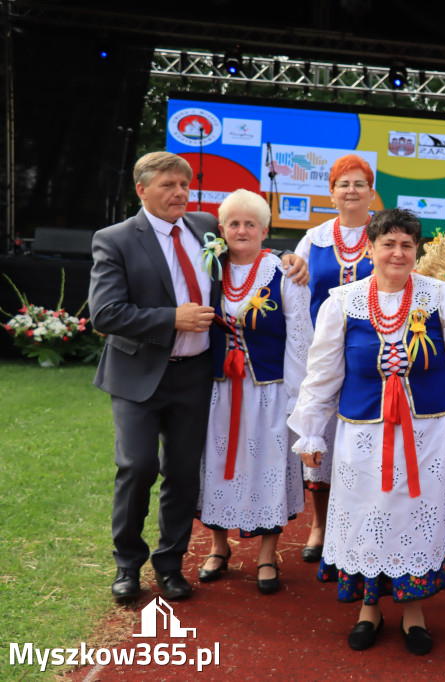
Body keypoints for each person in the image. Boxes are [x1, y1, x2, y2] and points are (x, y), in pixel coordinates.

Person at [89, 152, 308, 603]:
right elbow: (105, 313)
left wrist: (290, 257)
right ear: (142, 190)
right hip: (139, 377)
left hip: (196, 377)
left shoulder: (204, 227)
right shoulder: (114, 239)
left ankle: (170, 564)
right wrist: (172, 318)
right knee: (137, 467)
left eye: (185, 186)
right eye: (168, 185)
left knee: (185, 473)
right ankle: (127, 565)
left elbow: (253, 248)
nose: (178, 194)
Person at [289, 208, 445, 655]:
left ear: (417, 251)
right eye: (388, 244)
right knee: (369, 517)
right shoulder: (342, 302)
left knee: (415, 517)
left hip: (429, 432)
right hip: (364, 434)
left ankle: (414, 611)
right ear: (370, 249)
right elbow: (322, 373)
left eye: (406, 245)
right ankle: (369, 608)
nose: (397, 253)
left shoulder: (441, 298)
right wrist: (310, 431)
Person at [194, 190, 312, 594]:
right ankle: (218, 546)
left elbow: (300, 341)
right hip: (218, 391)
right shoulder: (209, 268)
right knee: (214, 463)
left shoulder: (286, 273)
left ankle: (266, 553)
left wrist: (299, 402)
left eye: (250, 223)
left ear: (264, 229)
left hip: (268, 392)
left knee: (268, 468)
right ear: (221, 230)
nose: (241, 230)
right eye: (233, 223)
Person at [293, 154, 378, 567]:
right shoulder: (313, 239)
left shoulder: (384, 236)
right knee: (319, 444)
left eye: (359, 183)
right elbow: (293, 294)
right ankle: (320, 526)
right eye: (343, 184)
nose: (351, 191)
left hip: (371, 363)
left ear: (371, 191)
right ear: (331, 192)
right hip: (322, 358)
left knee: (365, 447)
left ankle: (361, 525)